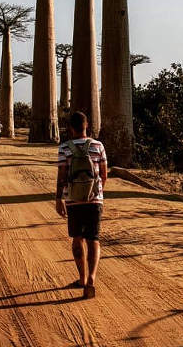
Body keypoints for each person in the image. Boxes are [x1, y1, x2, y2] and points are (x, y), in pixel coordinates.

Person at [55, 111, 107, 299]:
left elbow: (62, 176)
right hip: (94, 199)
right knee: (93, 239)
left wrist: (59, 198)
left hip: (73, 200)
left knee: (77, 239)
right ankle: (92, 278)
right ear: (87, 125)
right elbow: (103, 174)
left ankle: (82, 278)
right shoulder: (98, 146)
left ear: (70, 127)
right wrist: (97, 192)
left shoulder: (64, 148)